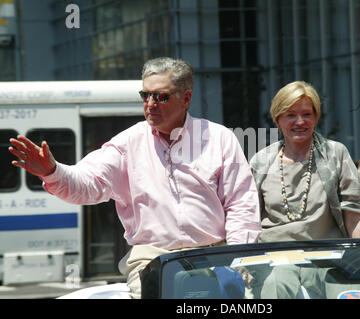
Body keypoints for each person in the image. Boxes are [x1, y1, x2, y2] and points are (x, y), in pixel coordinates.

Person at [8, 57, 261, 299]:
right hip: (152, 258)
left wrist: (236, 259)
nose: (151, 103)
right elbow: (87, 183)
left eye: (161, 96)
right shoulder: (128, 143)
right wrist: (52, 171)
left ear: (186, 99)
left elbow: (241, 204)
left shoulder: (219, 138)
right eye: (145, 95)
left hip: (215, 253)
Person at [249, 81, 360, 298]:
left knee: (350, 292)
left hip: (331, 259)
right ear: (277, 119)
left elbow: (355, 217)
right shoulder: (261, 161)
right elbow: (247, 219)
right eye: (290, 115)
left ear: (316, 117)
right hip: (277, 260)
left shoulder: (335, 154)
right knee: (277, 285)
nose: (300, 121)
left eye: (307, 114)